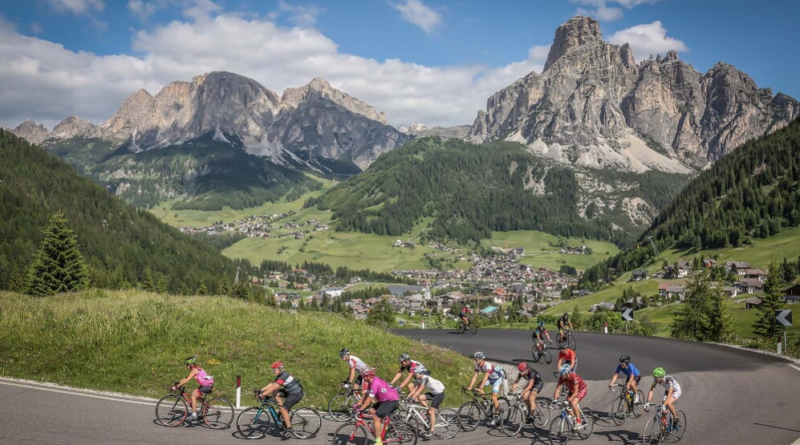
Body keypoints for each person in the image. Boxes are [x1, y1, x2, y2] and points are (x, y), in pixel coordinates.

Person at [356, 367, 400, 445]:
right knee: (371, 410)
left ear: (368, 376)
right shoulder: (370, 382)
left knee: (376, 417)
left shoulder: (374, 383)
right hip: (384, 400)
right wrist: (357, 404)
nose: (363, 377)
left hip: (391, 401)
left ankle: (378, 441)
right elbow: (366, 394)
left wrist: (361, 409)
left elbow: (369, 399)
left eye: (364, 376)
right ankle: (382, 429)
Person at [258, 361, 303, 435]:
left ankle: (289, 428)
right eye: (273, 370)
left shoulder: (284, 375)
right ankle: (281, 407)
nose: (273, 371)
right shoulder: (280, 375)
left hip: (296, 394)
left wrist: (263, 395)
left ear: (280, 369)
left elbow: (274, 387)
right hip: (289, 392)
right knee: (276, 393)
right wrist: (261, 390)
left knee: (283, 409)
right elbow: (271, 384)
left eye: (274, 370)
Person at [171, 355, 214, 422]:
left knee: (193, 396)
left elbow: (186, 380)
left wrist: (176, 387)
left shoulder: (194, 371)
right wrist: (179, 382)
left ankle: (194, 415)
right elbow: (186, 378)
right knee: (194, 394)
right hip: (207, 384)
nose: (186, 366)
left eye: (187, 365)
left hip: (206, 386)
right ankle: (206, 405)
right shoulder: (198, 368)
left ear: (190, 365)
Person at [408, 365, 445, 437]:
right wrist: (408, 396)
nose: (415, 376)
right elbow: (416, 389)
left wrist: (413, 398)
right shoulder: (421, 379)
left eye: (416, 374)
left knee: (431, 411)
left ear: (421, 373)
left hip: (439, 394)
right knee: (420, 398)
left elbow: (419, 390)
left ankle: (432, 429)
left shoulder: (426, 379)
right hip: (434, 393)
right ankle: (429, 412)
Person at [466, 352, 503, 426]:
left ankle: (496, 416)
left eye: (477, 359)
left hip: (497, 379)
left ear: (481, 359)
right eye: (475, 359)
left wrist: (480, 388)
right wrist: (470, 387)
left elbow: (485, 378)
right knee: (477, 387)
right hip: (491, 378)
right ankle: (486, 402)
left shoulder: (487, 366)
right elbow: (475, 376)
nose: (475, 360)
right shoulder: (477, 365)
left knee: (493, 397)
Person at [552, 363, 587, 431]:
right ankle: (574, 417)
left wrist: (569, 399)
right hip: (572, 391)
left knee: (573, 403)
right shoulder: (562, 378)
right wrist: (555, 399)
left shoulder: (574, 377)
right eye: (560, 374)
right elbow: (558, 388)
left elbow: (576, 392)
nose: (561, 376)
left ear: (567, 373)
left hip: (581, 389)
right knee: (563, 405)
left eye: (562, 374)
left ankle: (579, 421)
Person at [645, 367, 682, 431]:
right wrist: (647, 401)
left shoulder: (669, 380)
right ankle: (665, 426)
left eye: (656, 378)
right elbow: (651, 390)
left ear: (661, 377)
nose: (655, 379)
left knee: (668, 403)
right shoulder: (656, 380)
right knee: (663, 411)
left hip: (675, 391)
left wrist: (664, 405)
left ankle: (676, 418)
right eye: (654, 377)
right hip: (667, 391)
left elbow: (670, 393)